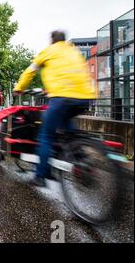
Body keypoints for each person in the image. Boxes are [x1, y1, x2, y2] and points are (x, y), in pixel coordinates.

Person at [13, 30, 96, 187]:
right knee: (67, 124)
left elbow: (30, 71)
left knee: (45, 135)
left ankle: (40, 176)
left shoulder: (48, 51)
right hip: (85, 97)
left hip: (61, 97)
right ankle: (80, 156)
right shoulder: (74, 52)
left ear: (52, 41)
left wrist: (19, 87)